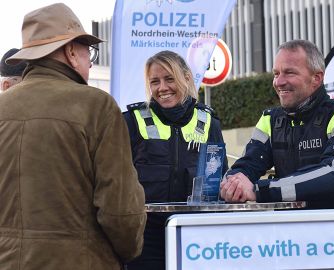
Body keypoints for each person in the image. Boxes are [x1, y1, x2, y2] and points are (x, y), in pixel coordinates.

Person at [0, 3, 146, 270]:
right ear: (70, 51)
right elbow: (120, 212)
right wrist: (130, 250)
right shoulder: (96, 106)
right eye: (87, 52)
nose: (90, 62)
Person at [220, 39, 334, 214]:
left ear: (316, 78)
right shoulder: (270, 119)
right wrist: (233, 183)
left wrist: (260, 190)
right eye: (276, 74)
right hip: (294, 237)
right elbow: (247, 166)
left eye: (289, 73)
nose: (279, 82)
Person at [123, 50, 228, 270]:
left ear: (186, 78)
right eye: (155, 81)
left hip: (195, 236)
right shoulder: (132, 121)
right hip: (145, 239)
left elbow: (220, 181)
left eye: (169, 78)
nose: (162, 88)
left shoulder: (208, 121)